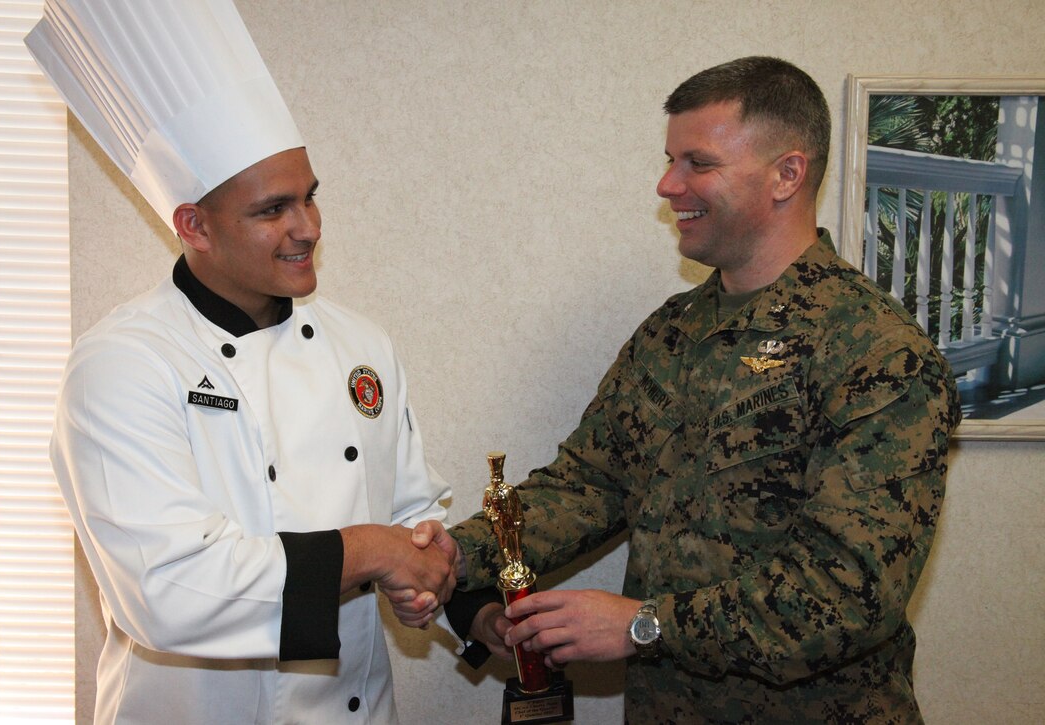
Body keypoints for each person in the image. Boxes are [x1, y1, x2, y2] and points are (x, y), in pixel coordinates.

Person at [412, 56, 961, 722]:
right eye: (671, 160)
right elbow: (586, 486)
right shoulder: (671, 333)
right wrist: (449, 554)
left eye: (698, 163)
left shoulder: (878, 352)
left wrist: (644, 625)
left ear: (787, 173)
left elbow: (848, 594)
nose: (668, 184)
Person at [27, 1, 453, 722]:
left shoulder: (362, 345)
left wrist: (432, 569)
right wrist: (371, 551)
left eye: (311, 199)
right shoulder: (122, 365)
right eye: (273, 210)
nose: (307, 229)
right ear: (193, 223)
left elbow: (412, 505)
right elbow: (170, 588)